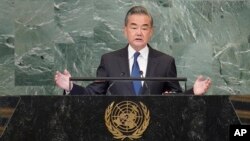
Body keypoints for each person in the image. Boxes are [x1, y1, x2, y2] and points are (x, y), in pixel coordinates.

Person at [54, 6, 211, 96]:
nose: (139, 33)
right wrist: (71, 87)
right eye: (134, 27)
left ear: (151, 32)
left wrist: (193, 92)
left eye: (144, 28)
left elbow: (176, 99)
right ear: (125, 31)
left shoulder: (165, 62)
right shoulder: (109, 60)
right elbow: (94, 94)